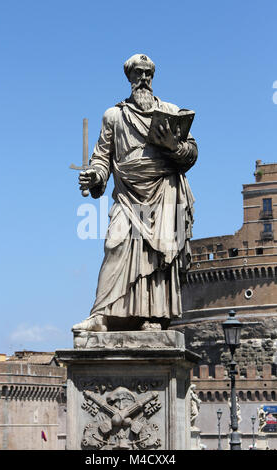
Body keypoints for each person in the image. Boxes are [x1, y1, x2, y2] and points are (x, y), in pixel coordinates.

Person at [74, 54, 198, 332]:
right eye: (138, 73)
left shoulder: (170, 111)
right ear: (129, 77)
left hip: (164, 190)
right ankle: (101, 314)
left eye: (148, 73)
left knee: (159, 254)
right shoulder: (114, 116)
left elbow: (191, 153)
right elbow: (102, 158)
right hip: (128, 194)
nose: (144, 78)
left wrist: (174, 147)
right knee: (114, 244)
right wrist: (94, 176)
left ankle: (153, 316)